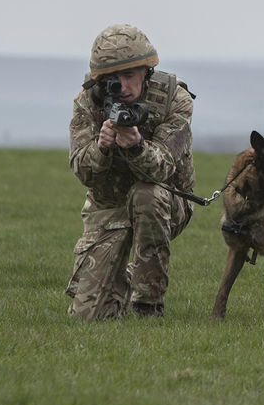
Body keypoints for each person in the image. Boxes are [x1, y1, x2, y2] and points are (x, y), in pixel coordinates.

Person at [67, 24, 196, 319]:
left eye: (128, 75)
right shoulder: (87, 103)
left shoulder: (173, 99)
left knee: (146, 195)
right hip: (108, 208)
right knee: (89, 317)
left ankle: (148, 305)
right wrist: (101, 148)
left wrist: (138, 147)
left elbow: (165, 166)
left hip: (166, 203)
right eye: (112, 79)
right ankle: (122, 283)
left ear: (145, 72)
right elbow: (82, 172)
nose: (122, 86)